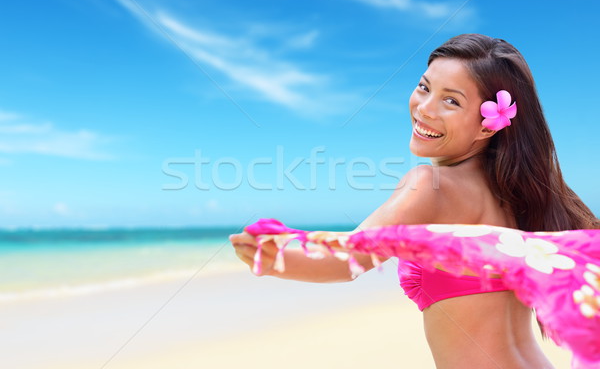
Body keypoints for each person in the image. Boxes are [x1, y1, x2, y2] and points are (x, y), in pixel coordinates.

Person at [229, 34, 599, 369]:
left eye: (451, 101)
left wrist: (267, 255)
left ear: (490, 124)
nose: (425, 109)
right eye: (425, 88)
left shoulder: (430, 185)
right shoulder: (525, 193)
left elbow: (346, 260)